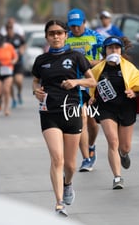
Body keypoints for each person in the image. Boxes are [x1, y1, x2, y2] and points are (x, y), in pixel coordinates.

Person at [31, 19, 96, 216]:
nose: (56, 36)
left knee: (70, 164)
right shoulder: (41, 60)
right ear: (47, 37)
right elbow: (35, 82)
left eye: (59, 33)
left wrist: (75, 82)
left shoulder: (76, 57)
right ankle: (59, 203)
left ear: (66, 35)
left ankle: (68, 183)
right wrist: (36, 92)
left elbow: (92, 80)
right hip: (49, 112)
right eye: (52, 33)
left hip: (72, 112)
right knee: (56, 158)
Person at [89, 36, 139, 189]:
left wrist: (135, 93)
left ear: (121, 50)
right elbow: (88, 87)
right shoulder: (97, 70)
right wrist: (91, 98)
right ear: (105, 51)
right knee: (113, 141)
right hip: (106, 109)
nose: (114, 50)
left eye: (117, 48)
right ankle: (117, 177)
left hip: (126, 108)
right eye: (110, 48)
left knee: (125, 147)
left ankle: (124, 154)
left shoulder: (129, 68)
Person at [66, 8, 104, 172]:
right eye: (72, 26)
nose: (75, 29)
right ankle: (86, 158)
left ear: (84, 22)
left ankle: (91, 144)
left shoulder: (96, 37)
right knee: (82, 118)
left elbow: (107, 58)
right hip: (75, 83)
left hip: (92, 82)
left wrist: (88, 63)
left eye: (78, 25)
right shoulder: (65, 38)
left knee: (93, 122)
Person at [0, 33, 18, 116]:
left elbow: (15, 57)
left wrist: (13, 61)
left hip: (8, 70)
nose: (0, 44)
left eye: (1, 43)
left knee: (6, 89)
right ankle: (0, 100)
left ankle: (6, 108)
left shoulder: (9, 47)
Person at [4, 20, 26, 108]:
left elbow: (24, 44)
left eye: (11, 28)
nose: (10, 30)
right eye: (8, 28)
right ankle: (13, 99)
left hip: (18, 62)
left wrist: (22, 49)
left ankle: (19, 93)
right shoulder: (5, 39)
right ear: (6, 30)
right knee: (10, 84)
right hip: (8, 64)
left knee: (19, 81)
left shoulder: (18, 37)